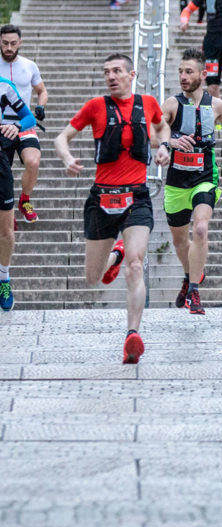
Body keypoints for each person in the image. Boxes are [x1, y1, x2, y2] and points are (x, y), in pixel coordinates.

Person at [54, 54, 171, 363]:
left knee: (136, 265)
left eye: (117, 71)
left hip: (137, 197)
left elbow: (162, 130)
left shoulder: (147, 103)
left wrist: (165, 149)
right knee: (93, 276)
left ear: (132, 74)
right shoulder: (95, 107)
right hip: (101, 199)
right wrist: (67, 159)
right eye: (106, 72)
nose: (111, 76)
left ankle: (132, 335)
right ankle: (115, 253)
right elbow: (61, 137)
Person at [161, 48, 222, 314]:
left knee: (200, 229)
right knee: (180, 242)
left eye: (188, 71)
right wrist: (171, 142)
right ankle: (190, 274)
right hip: (177, 181)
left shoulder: (216, 105)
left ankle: (193, 291)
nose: (183, 76)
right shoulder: (170, 104)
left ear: (203, 74)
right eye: (180, 71)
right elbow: (155, 133)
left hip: (205, 177)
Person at [0, 24, 49, 224]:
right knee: (4, 169)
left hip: (24, 122)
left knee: (33, 161)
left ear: (20, 43)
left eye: (13, 43)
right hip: (2, 125)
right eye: (5, 43)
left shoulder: (29, 65)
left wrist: (41, 107)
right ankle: (6, 209)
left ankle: (25, 200)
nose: (9, 47)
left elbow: (42, 91)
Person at [0, 77, 37, 311]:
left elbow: (29, 117)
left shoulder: (4, 86)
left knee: (5, 232)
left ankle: (4, 278)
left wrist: (16, 126)